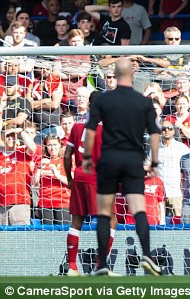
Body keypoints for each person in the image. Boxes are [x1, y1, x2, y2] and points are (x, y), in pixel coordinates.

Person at [82, 57, 162, 276]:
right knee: (138, 208)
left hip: (108, 159)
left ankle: (102, 264)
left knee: (104, 212)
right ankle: (146, 254)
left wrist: (88, 156)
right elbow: (155, 134)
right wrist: (154, 161)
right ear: (132, 73)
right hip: (132, 159)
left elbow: (90, 130)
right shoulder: (143, 101)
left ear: (114, 75)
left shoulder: (103, 100)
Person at [64, 91, 117, 276]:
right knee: (110, 219)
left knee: (76, 221)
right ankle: (100, 265)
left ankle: (72, 267)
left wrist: (70, 179)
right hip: (97, 179)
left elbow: (66, 156)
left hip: (79, 177)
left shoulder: (77, 128)